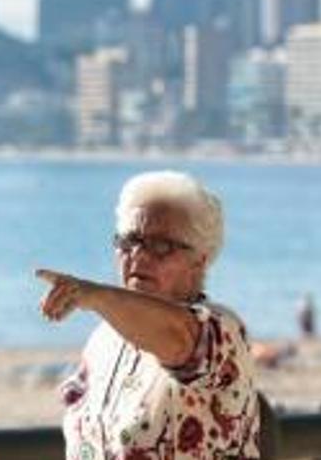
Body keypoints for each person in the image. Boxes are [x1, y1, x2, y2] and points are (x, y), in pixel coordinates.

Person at [37, 170, 259, 459]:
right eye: (129, 241)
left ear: (199, 261)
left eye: (161, 246)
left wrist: (92, 294)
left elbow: (180, 340)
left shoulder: (222, 332)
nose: (139, 256)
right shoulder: (104, 340)